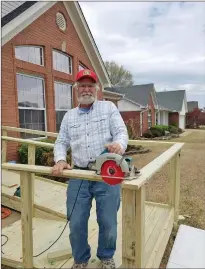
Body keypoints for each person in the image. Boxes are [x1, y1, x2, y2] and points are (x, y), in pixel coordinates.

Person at [52, 69, 128, 269]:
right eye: (82, 86)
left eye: (90, 85)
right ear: (76, 89)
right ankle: (80, 260)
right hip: (79, 174)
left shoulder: (108, 108)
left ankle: (106, 256)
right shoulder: (69, 116)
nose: (86, 89)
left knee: (108, 221)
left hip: (106, 173)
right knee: (76, 222)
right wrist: (60, 160)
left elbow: (121, 132)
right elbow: (61, 142)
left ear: (97, 89)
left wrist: (119, 145)